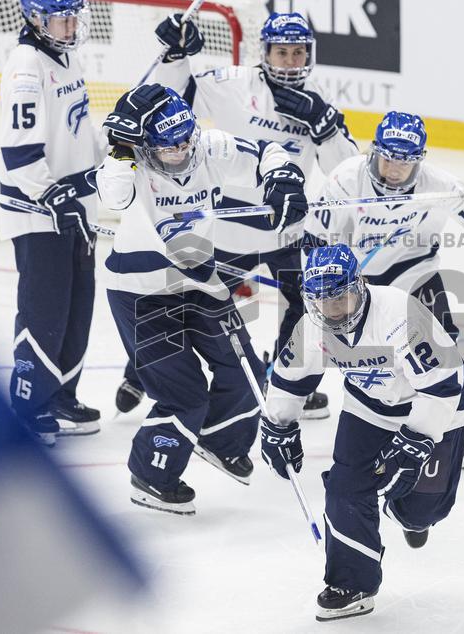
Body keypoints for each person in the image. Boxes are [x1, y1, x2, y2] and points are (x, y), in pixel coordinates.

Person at [112, 12, 359, 419]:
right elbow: (169, 99)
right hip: (228, 228)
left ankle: (287, 381)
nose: (291, 61)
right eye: (282, 52)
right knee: (184, 302)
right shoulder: (231, 84)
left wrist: (324, 126)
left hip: (286, 227)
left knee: (312, 303)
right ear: (264, 52)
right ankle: (139, 373)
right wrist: (175, 55)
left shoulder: (319, 98)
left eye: (299, 53)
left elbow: (347, 172)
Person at [95, 83, 308, 515]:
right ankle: (152, 476)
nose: (181, 152)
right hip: (143, 297)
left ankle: (220, 439)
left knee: (246, 369)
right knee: (185, 396)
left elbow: (267, 151)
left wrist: (283, 179)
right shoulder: (126, 162)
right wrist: (120, 143)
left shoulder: (208, 147)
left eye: (185, 141)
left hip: (199, 282)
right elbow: (113, 196)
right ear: (145, 144)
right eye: (168, 147)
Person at [261, 244, 464, 621]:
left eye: (342, 299)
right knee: (345, 489)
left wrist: (415, 442)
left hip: (439, 410)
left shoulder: (399, 315)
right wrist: (277, 425)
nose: (333, 311)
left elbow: (442, 388)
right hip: (370, 408)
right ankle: (352, 581)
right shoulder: (314, 324)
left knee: (419, 512)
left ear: (360, 286)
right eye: (323, 302)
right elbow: (289, 380)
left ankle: (411, 517)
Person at [305, 111, 464, 344]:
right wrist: (329, 278)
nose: (395, 170)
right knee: (362, 356)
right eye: (388, 159)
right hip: (353, 278)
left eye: (404, 162)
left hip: (413, 269)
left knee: (442, 344)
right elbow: (315, 237)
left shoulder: (437, 185)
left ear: (419, 161)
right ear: (374, 152)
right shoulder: (345, 179)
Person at [0, 0, 106, 445]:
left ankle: (61, 393)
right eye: (60, 19)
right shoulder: (26, 67)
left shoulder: (67, 58)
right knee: (44, 309)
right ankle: (29, 403)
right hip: (39, 209)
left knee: (77, 306)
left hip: (76, 208)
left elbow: (79, 132)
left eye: (72, 18)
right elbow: (19, 153)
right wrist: (53, 195)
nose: (69, 27)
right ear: (36, 18)